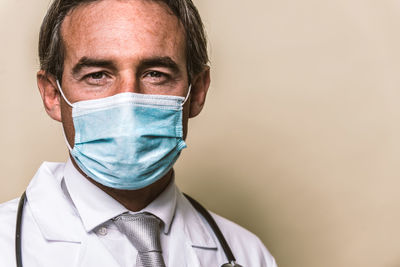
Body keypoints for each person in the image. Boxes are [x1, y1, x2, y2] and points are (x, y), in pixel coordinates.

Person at [0, 0, 278, 266]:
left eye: (155, 74)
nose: (128, 101)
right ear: (51, 94)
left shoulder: (247, 254)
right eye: (97, 75)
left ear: (198, 92)